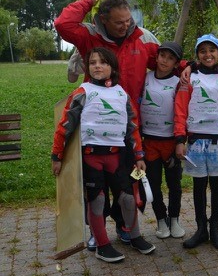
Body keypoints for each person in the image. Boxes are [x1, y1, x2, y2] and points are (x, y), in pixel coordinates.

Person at [55, 0, 164, 247]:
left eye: (128, 20)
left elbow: (165, 63)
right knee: (97, 189)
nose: (125, 26)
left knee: (130, 184)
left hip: (128, 129)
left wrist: (187, 68)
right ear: (103, 19)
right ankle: (97, 232)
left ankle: (127, 227)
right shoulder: (89, 37)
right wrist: (89, 0)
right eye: (118, 22)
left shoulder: (143, 37)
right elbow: (62, 24)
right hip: (95, 130)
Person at [51, 47, 156, 263]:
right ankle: (102, 245)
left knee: (127, 199)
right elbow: (64, 126)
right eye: (93, 62)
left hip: (118, 157)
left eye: (103, 62)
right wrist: (57, 157)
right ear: (88, 68)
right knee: (97, 202)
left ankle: (134, 236)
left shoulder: (121, 93)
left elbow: (132, 127)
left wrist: (139, 156)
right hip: (91, 157)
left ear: (112, 67)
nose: (97, 66)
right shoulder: (82, 92)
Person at [174, 34, 218, 250]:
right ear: (197, 55)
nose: (207, 55)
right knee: (199, 186)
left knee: (217, 186)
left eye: (212, 50)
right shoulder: (189, 77)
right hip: (196, 140)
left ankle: (215, 229)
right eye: (202, 51)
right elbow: (180, 108)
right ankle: (201, 229)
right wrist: (180, 138)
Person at [139, 41, 185, 239]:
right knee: (153, 184)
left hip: (171, 142)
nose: (165, 61)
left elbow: (183, 113)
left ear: (176, 64)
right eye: (162, 56)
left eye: (170, 58)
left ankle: (174, 219)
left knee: (174, 184)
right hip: (149, 141)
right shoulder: (145, 77)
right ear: (156, 57)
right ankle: (160, 219)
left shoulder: (178, 83)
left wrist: (181, 141)